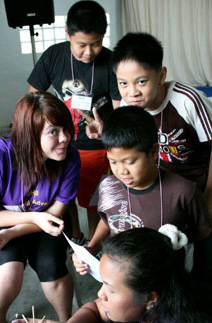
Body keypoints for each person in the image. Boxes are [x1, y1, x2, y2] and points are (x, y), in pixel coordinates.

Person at [0, 91, 81, 323]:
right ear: (30, 134)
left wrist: (18, 230)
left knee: (52, 267)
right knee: (10, 270)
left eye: (66, 128)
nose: (64, 138)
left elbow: (55, 212)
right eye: (53, 132)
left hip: (47, 220)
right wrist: (16, 228)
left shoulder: (69, 158)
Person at [73, 106, 211, 282]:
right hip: (120, 280)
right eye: (113, 161)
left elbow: (203, 230)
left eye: (130, 162)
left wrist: (177, 240)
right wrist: (91, 248)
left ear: (154, 151)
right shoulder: (108, 186)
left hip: (166, 281)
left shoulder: (183, 191)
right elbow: (108, 219)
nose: (121, 171)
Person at [14, 228, 212, 323]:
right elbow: (97, 311)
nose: (100, 294)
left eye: (111, 289)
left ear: (150, 298)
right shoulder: (154, 304)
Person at [84, 32, 212, 215]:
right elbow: (128, 146)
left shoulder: (188, 101)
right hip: (158, 188)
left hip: (195, 188)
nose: (132, 92)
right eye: (123, 83)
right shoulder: (128, 104)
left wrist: (209, 198)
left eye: (141, 82)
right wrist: (106, 131)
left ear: (161, 75)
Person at [27, 0, 121, 241]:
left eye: (96, 44)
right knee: (64, 194)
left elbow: (121, 111)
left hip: (96, 146)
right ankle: (74, 234)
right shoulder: (54, 56)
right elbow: (32, 98)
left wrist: (107, 129)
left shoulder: (111, 62)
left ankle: (93, 242)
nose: (88, 52)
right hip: (61, 144)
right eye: (81, 45)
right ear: (67, 34)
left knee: (93, 201)